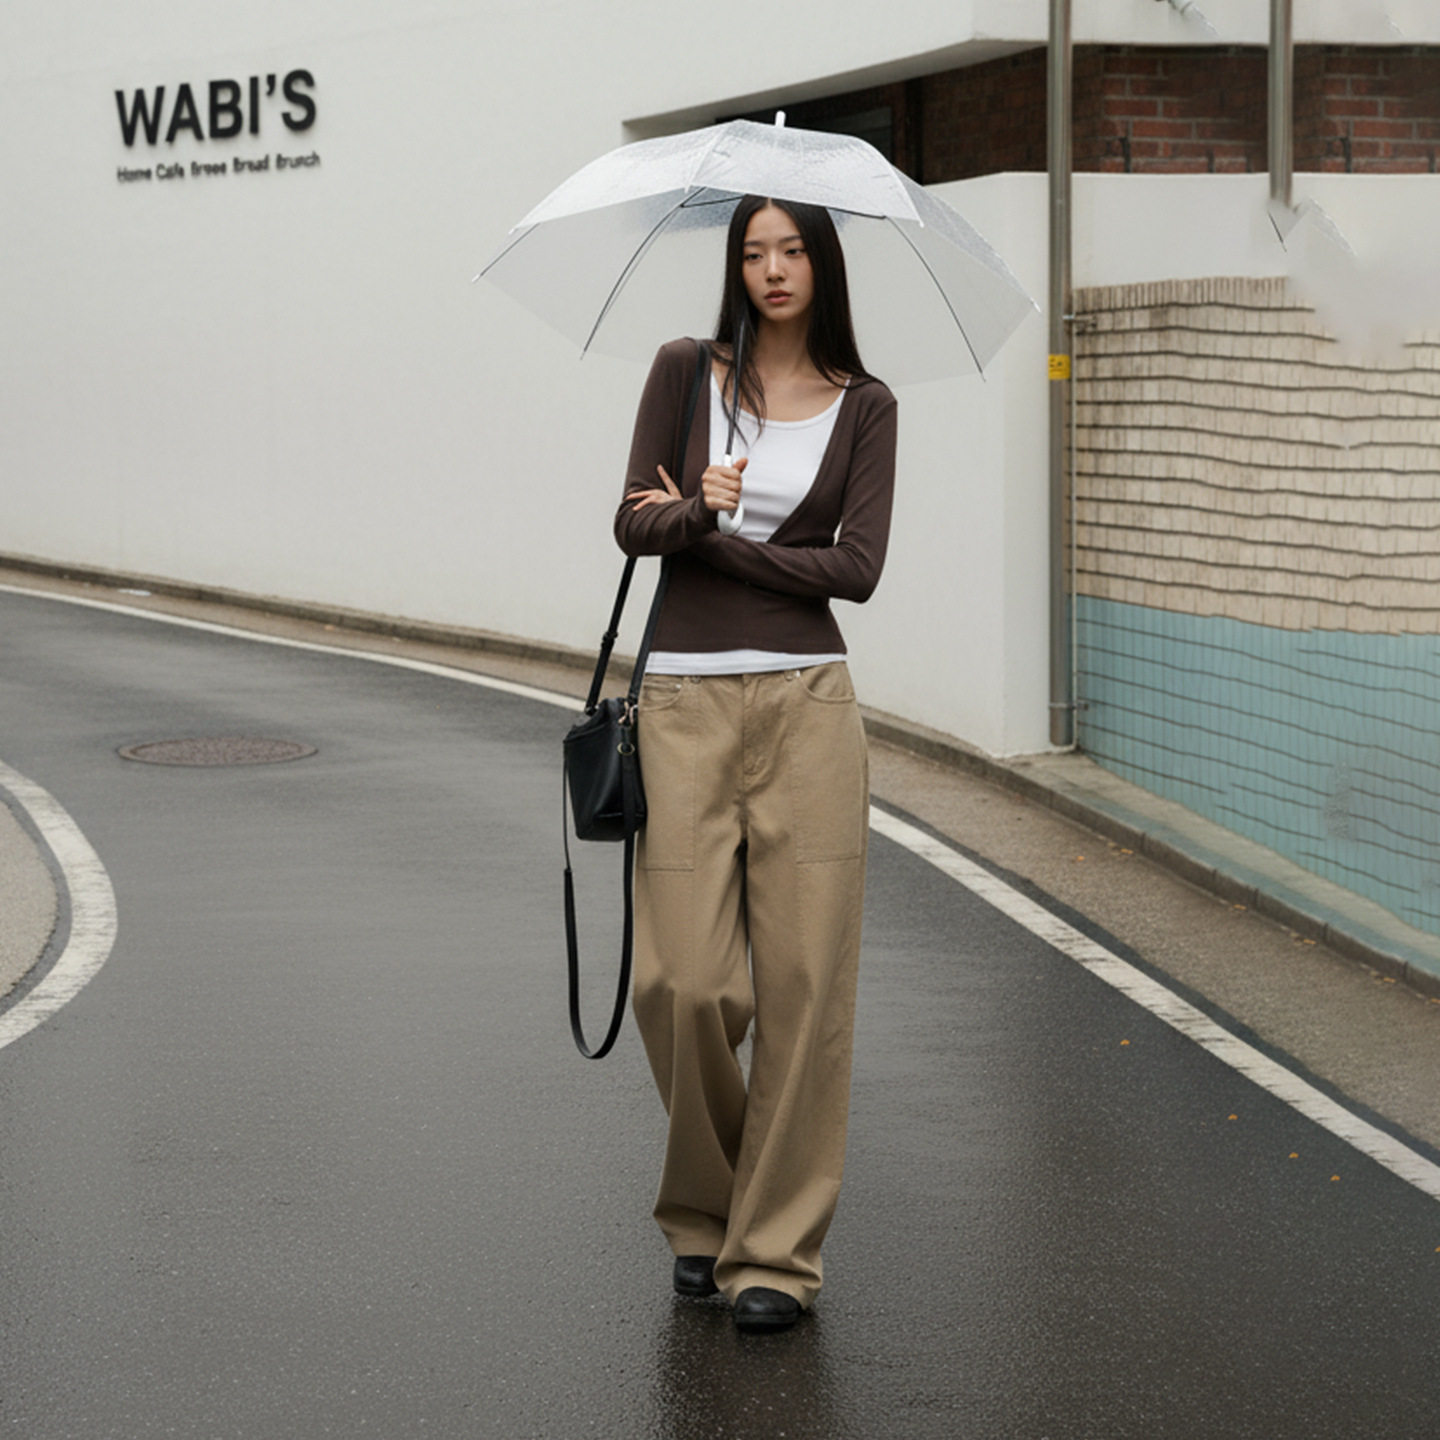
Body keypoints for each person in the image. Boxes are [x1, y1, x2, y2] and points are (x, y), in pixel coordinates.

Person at [613, 194, 898, 1335]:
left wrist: (724, 540)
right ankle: (706, 1207)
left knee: (805, 990)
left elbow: (861, 568)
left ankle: (773, 1253)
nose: (772, 269)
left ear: (823, 266)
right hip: (681, 701)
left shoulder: (866, 406)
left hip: (810, 708)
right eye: (752, 252)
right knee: (682, 983)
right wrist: (693, 516)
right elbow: (632, 523)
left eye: (792, 251)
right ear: (733, 267)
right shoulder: (684, 372)